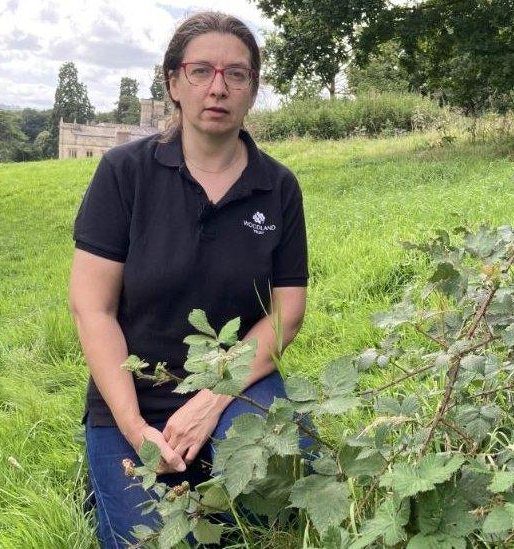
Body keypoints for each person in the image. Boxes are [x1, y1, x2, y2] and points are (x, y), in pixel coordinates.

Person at [68, 11, 309, 548]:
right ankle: (108, 472)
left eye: (237, 74)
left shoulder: (278, 187)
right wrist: (135, 430)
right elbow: (93, 308)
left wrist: (213, 396)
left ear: (252, 90)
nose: (217, 88)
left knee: (285, 505)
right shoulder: (124, 173)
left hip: (238, 385)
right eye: (201, 71)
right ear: (174, 82)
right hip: (135, 396)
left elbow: (286, 311)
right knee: (151, 540)